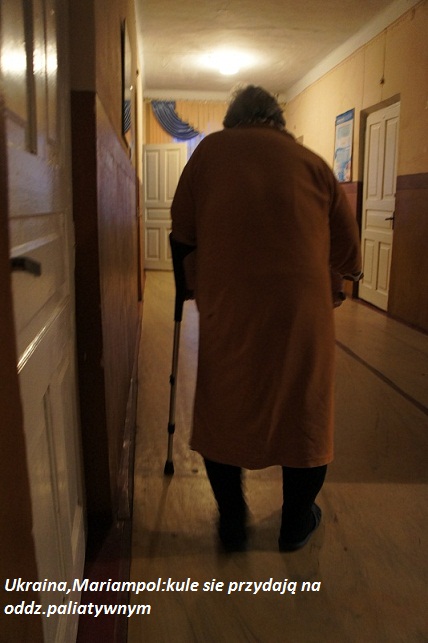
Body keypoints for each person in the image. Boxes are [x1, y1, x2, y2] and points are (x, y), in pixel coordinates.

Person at [170, 85, 362, 552]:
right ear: (278, 121)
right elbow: (348, 253)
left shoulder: (208, 153)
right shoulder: (313, 164)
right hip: (302, 313)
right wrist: (337, 283)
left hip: (229, 306)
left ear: (233, 121)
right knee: (305, 409)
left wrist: (190, 287)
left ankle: (233, 522)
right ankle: (295, 523)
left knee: (225, 403)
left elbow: (183, 234)